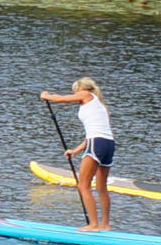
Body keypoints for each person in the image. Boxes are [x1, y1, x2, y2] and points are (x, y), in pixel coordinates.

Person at [41, 77, 116, 230]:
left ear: (81, 89)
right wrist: (75, 151)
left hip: (97, 143)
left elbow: (61, 99)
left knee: (83, 185)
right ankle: (105, 224)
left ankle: (93, 224)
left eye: (75, 91)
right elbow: (95, 133)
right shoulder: (101, 107)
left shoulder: (86, 95)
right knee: (102, 187)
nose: (75, 95)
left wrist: (46, 96)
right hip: (108, 144)